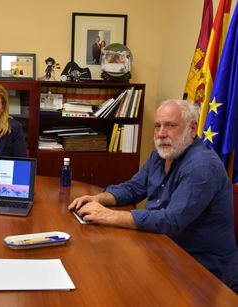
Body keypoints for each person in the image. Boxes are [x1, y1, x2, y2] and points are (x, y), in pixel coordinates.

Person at [68, 99, 236, 278]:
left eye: (170, 126)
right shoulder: (160, 154)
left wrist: (109, 215)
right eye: (157, 126)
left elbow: (171, 221)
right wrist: (99, 199)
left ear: (192, 129)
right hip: (163, 249)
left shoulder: (202, 166)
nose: (161, 134)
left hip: (203, 270)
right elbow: (134, 188)